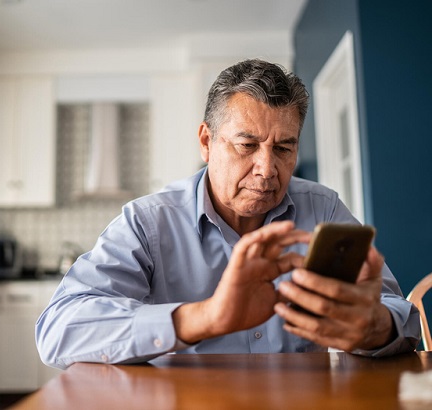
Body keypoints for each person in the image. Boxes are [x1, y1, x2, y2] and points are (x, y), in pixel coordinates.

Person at [36, 59, 420, 368]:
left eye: (284, 148)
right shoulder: (147, 221)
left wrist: (374, 327)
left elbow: (403, 317)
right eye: (247, 144)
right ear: (206, 141)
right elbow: (58, 329)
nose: (267, 168)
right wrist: (206, 317)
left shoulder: (324, 208)